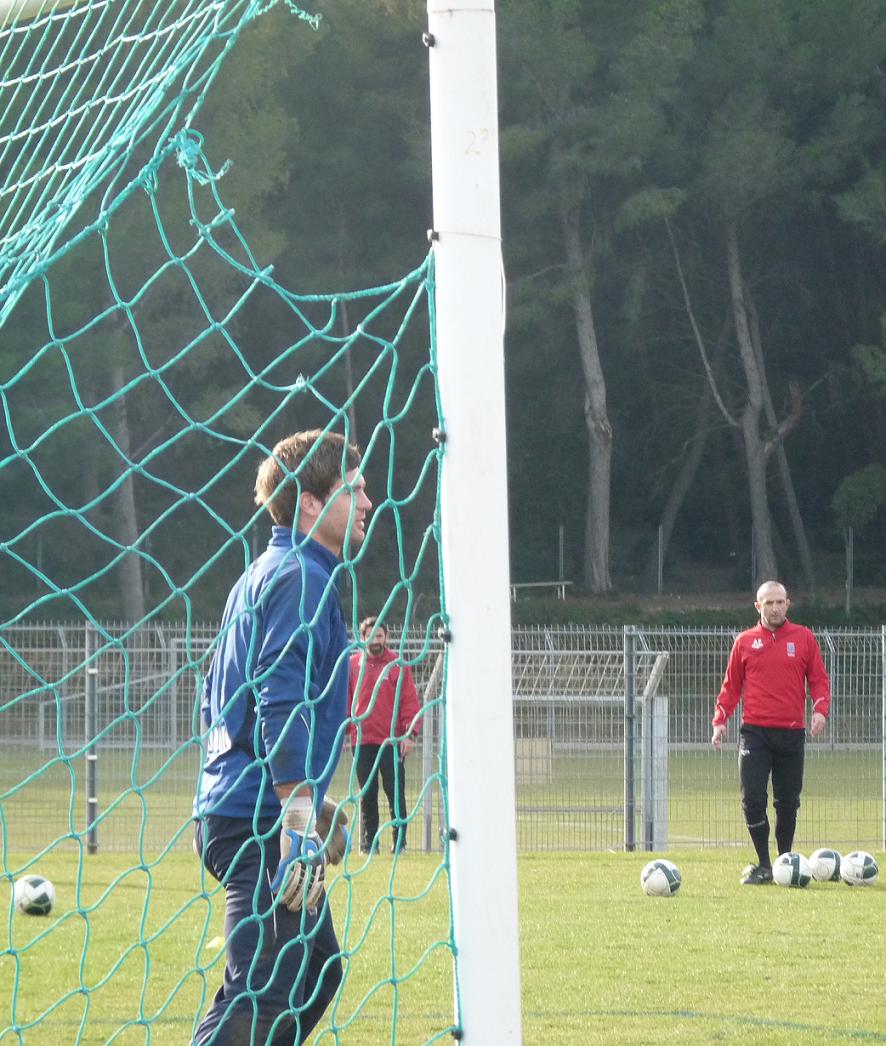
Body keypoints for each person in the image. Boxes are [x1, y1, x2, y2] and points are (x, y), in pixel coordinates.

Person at [192, 429, 372, 1045]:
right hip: (259, 822)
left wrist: (312, 804)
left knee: (317, 971)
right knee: (261, 986)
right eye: (356, 489)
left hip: (246, 808)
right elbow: (279, 705)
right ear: (312, 504)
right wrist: (298, 821)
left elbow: (224, 698)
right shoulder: (300, 577)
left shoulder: (265, 572)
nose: (370, 503)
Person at [711, 580, 830, 885]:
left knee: (788, 801)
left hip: (791, 733)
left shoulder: (804, 638)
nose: (775, 608)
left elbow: (818, 680)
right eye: (769, 603)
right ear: (758, 607)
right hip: (755, 733)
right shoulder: (745, 642)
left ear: (788, 604)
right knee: (752, 797)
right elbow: (731, 686)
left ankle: (784, 861)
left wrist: (820, 710)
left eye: (780, 602)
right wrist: (720, 719)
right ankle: (764, 864)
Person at [348, 617, 422, 854]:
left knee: (395, 793)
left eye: (380, 636)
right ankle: (370, 845)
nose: (376, 641)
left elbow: (409, 701)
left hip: (391, 742)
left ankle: (399, 844)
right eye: (371, 636)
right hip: (362, 742)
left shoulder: (397, 665)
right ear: (363, 638)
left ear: (386, 638)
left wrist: (410, 734)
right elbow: (345, 700)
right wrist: (345, 731)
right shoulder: (352, 666)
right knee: (367, 795)